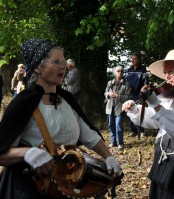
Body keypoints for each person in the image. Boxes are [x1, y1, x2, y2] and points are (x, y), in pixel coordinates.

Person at [0, 38, 122, 199]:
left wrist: (109, 157)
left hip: (66, 186)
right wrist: (27, 153)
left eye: (63, 61)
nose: (63, 66)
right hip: (28, 188)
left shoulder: (67, 99)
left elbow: (89, 135)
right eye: (56, 61)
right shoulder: (23, 102)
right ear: (37, 67)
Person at [123, 49, 174, 199]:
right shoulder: (168, 95)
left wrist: (155, 104)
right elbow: (154, 120)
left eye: (171, 71)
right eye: (165, 72)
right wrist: (134, 109)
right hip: (164, 152)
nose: (166, 76)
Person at [123, 52, 149, 138]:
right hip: (130, 95)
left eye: (135, 59)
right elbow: (125, 82)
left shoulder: (143, 70)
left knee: (140, 112)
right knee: (130, 111)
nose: (132, 60)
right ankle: (133, 130)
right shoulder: (128, 71)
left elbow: (146, 83)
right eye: (132, 59)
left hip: (139, 95)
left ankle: (142, 131)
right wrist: (127, 88)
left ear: (139, 60)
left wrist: (143, 90)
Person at [104, 66, 131, 150]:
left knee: (118, 125)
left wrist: (117, 96)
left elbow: (128, 97)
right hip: (110, 108)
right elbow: (105, 93)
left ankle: (120, 143)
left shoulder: (126, 84)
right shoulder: (110, 83)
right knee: (111, 125)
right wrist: (108, 94)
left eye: (122, 71)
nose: (120, 73)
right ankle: (113, 142)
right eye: (118, 71)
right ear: (114, 72)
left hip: (120, 108)